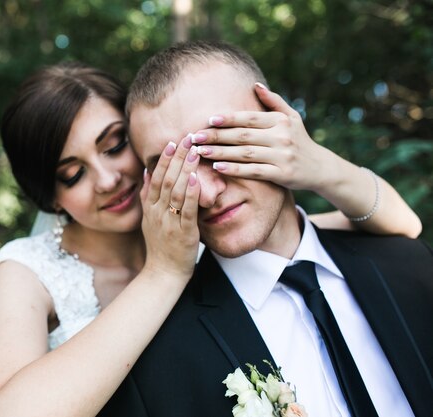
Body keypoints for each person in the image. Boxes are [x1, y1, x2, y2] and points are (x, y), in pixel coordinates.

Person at [0, 61, 423, 417]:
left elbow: (398, 225)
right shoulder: (28, 269)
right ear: (50, 196)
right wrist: (164, 271)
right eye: (72, 175)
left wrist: (315, 164)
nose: (109, 179)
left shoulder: (220, 228)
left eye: (114, 146)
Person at [98, 41, 433, 417]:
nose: (205, 194)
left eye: (220, 146)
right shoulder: (155, 364)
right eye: (172, 171)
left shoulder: (410, 264)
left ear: (278, 122)